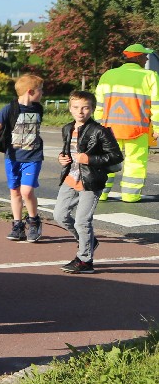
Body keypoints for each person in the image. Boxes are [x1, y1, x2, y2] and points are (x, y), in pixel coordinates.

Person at [55, 91, 123, 274]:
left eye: (85, 108)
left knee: (82, 221)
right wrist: (62, 158)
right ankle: (89, 241)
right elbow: (68, 151)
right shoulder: (67, 128)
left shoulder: (100, 131)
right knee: (59, 216)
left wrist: (89, 159)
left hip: (91, 181)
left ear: (92, 109)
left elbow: (116, 156)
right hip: (70, 178)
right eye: (76, 107)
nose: (80, 111)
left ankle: (85, 260)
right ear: (70, 109)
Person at [0, 74, 46, 242]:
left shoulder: (38, 108)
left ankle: (34, 221)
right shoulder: (9, 109)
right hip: (13, 157)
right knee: (15, 191)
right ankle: (18, 225)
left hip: (33, 156)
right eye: (40, 90)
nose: (42, 93)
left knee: (26, 191)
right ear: (30, 91)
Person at [94, 43, 159, 203]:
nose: (146, 59)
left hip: (109, 129)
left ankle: (101, 194)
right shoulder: (150, 76)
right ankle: (130, 195)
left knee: (107, 160)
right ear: (138, 57)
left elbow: (99, 105)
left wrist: (97, 127)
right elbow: (157, 105)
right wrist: (157, 128)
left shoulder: (108, 75)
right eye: (145, 56)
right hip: (137, 130)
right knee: (135, 163)